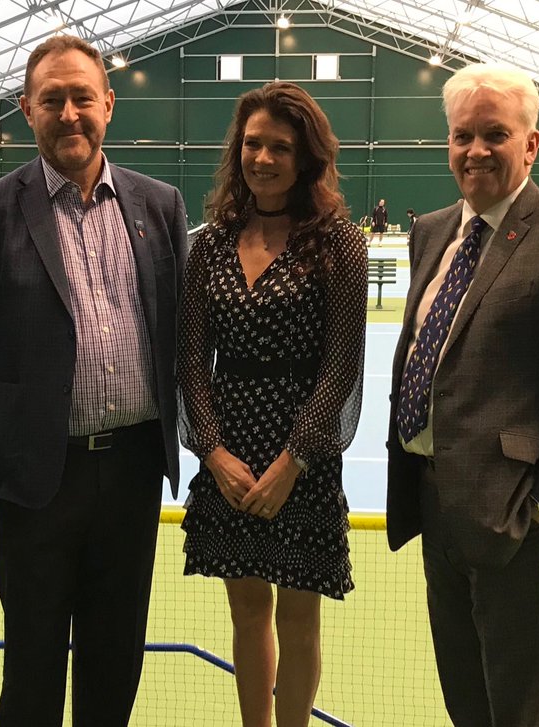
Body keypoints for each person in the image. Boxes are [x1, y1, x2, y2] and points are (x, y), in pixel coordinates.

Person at [0, 35, 187, 727]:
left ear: (109, 104)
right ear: (26, 109)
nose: (69, 113)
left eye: (82, 97)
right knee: (33, 669)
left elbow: (178, 332)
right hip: (34, 480)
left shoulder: (159, 205)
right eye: (53, 99)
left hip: (132, 472)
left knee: (115, 662)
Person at [385, 63, 539, 727]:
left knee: (522, 709)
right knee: (466, 698)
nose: (476, 150)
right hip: (434, 502)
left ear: (531, 144)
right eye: (463, 135)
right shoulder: (433, 231)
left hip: (515, 516)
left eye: (495, 133)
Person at [178, 81, 367, 727]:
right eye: (252, 144)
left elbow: (341, 365)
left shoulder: (340, 243)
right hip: (230, 452)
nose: (263, 158)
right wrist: (213, 451)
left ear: (306, 155)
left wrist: (294, 460)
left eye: (279, 146)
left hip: (302, 455)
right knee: (247, 612)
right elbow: (189, 361)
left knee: (299, 617)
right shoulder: (205, 245)